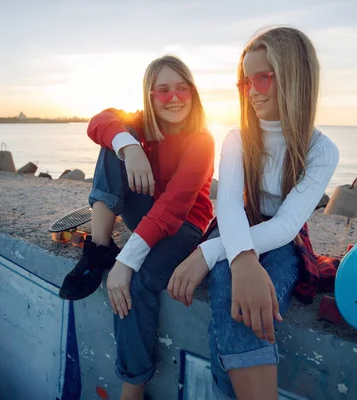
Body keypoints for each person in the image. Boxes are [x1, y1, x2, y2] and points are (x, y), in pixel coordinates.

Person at [167, 27, 340, 399]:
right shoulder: (238, 138)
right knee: (231, 288)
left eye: (264, 77)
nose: (251, 91)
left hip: (283, 240)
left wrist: (209, 252)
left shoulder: (321, 151)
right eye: (245, 82)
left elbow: (286, 224)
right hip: (234, 225)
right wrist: (238, 255)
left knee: (251, 307)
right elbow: (228, 203)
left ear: (295, 77)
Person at [59, 55, 215, 400]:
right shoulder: (140, 125)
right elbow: (99, 121)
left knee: (138, 281)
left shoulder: (201, 140)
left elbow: (173, 208)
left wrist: (126, 262)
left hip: (184, 226)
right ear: (150, 95)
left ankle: (133, 388)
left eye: (182, 88)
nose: (174, 97)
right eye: (163, 90)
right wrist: (129, 147)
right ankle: (99, 250)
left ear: (193, 93)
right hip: (144, 214)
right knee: (115, 139)